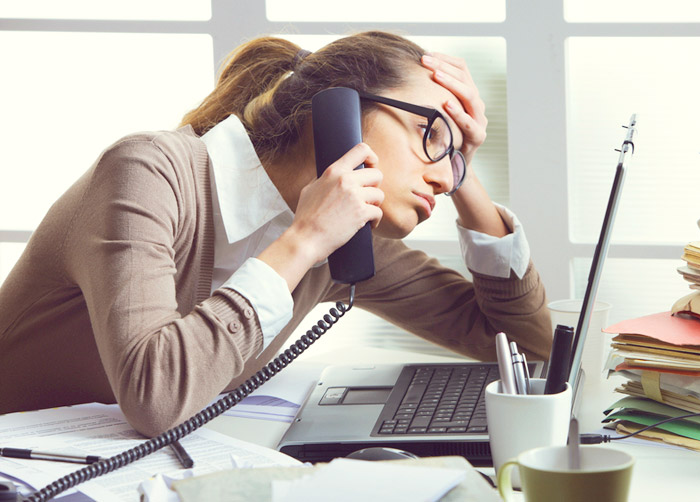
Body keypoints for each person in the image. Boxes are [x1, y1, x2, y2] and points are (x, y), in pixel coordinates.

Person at [0, 31, 552, 436]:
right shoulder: (147, 171)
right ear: (338, 109)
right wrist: (303, 242)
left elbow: (521, 347)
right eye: (429, 134)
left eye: (454, 156)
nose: (441, 172)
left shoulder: (352, 235)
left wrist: (467, 179)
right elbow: (156, 396)